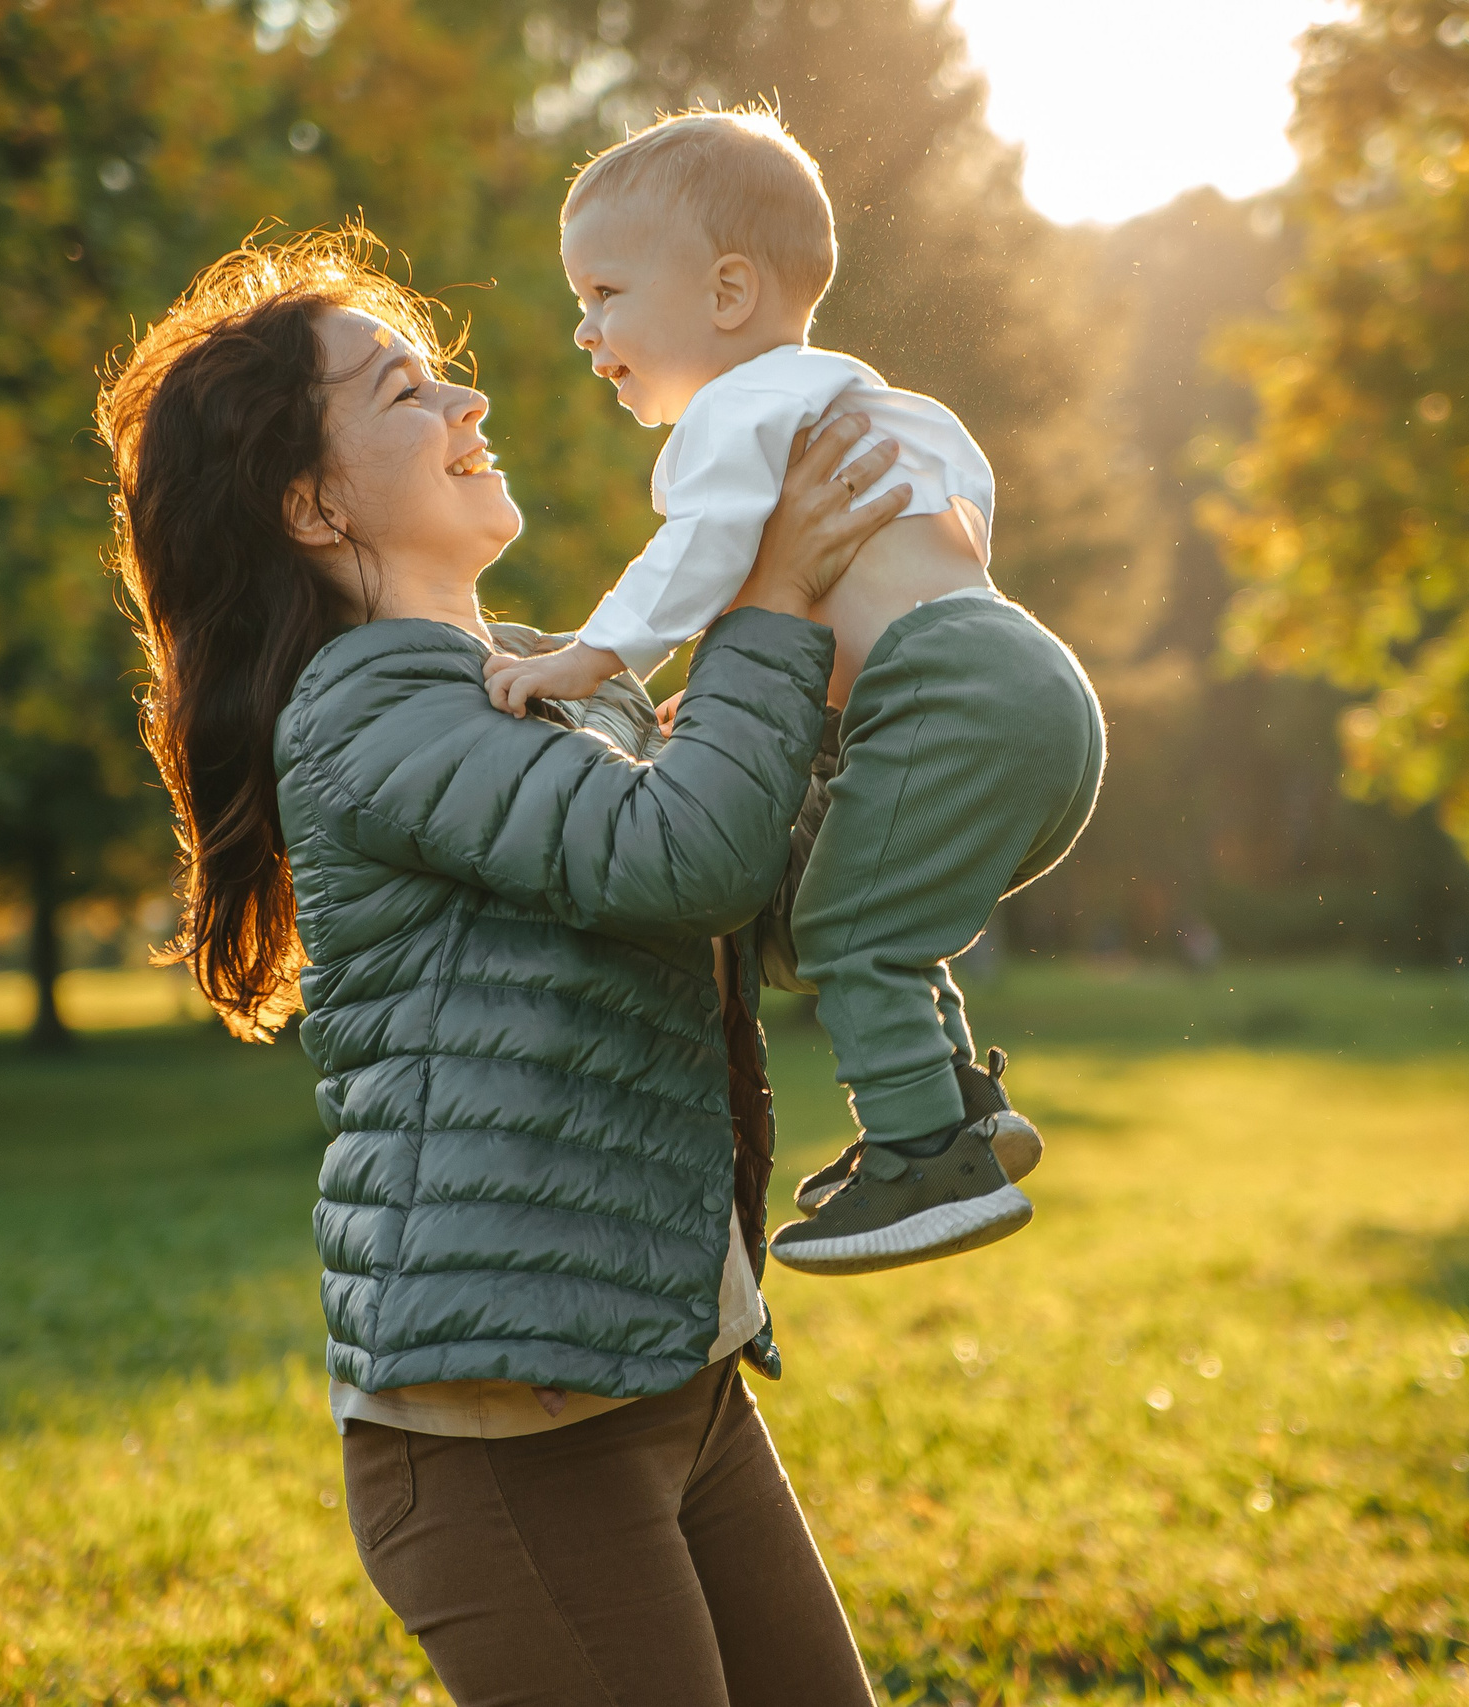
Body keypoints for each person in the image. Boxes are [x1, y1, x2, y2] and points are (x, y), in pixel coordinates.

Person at [94, 226, 903, 1707]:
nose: (470, 405)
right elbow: (684, 854)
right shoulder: (364, 711)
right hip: (505, 1439)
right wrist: (764, 599)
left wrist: (913, 720)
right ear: (312, 499)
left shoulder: (537, 676)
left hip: (668, 1361)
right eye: (409, 391)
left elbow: (755, 892)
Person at [481, 108, 1106, 1278]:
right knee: (881, 907)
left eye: (606, 294)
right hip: (1029, 682)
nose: (583, 330)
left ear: (727, 294)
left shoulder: (736, 409)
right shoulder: (877, 404)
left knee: (842, 930)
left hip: (947, 696)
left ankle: (923, 1155)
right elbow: (933, 542)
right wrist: (761, 693)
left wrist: (596, 657)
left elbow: (703, 552)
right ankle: (961, 1105)